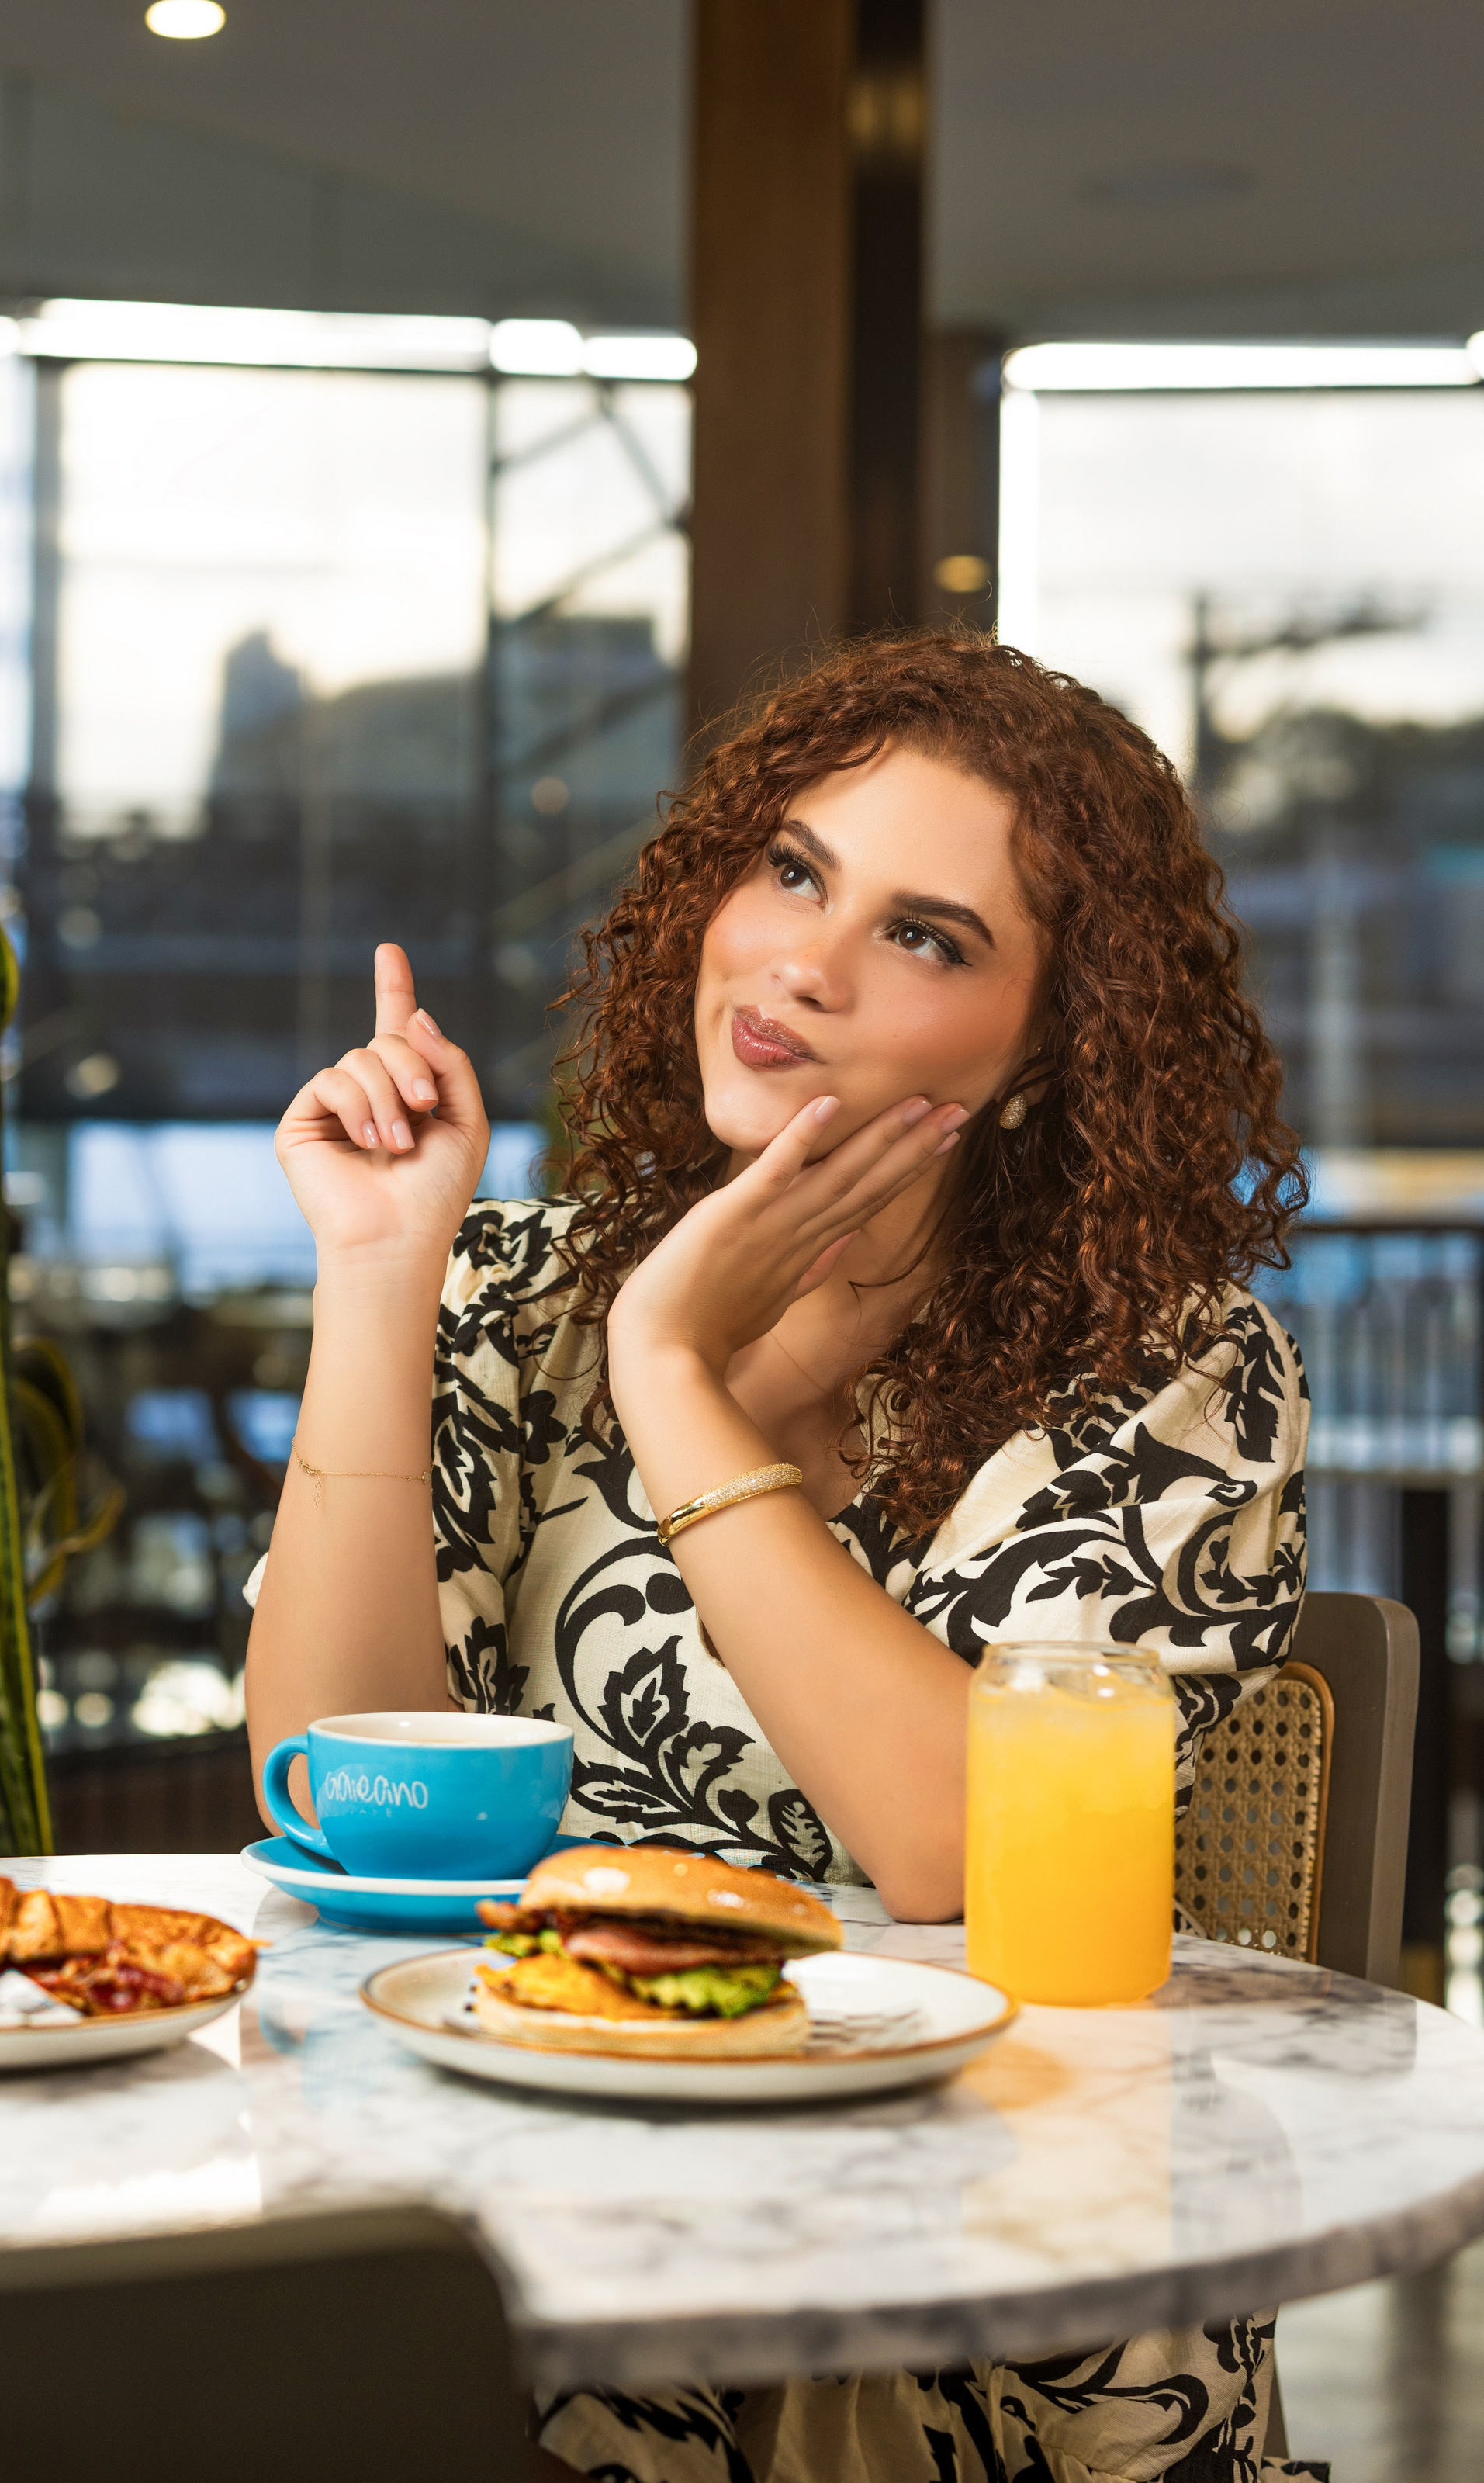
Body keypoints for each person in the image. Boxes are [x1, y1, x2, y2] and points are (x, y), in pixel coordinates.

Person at [245, 630, 1311, 2483]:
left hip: (978, 2284)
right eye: (792, 868)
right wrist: (379, 1270)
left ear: (1050, 1051)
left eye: (923, 933)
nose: (797, 961)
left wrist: (669, 1376)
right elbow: (334, 1792)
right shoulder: (507, 1290)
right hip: (522, 2201)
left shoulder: (1171, 1371)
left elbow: (953, 1847)